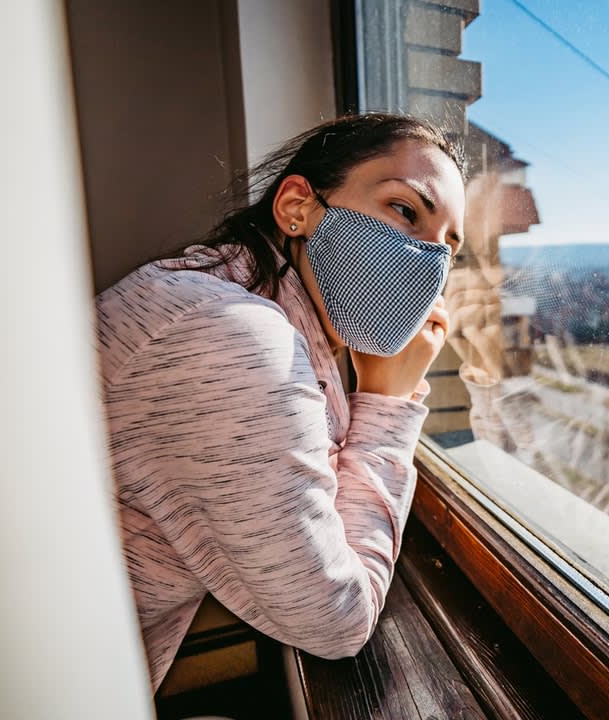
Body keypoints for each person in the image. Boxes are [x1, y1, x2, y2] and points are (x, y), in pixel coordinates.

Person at [95, 113, 466, 690]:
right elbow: (338, 621)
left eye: (449, 248)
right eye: (404, 210)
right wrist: (386, 400)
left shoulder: (233, 298)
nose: (430, 263)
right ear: (299, 208)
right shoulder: (233, 334)